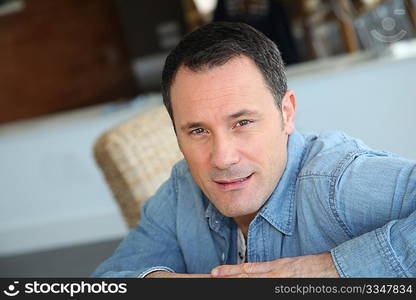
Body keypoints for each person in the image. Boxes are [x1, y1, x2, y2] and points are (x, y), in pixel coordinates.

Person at [92, 22, 416, 278]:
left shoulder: (335, 182)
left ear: (286, 113)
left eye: (242, 122)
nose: (222, 158)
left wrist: (331, 269)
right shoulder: (183, 189)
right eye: (198, 130)